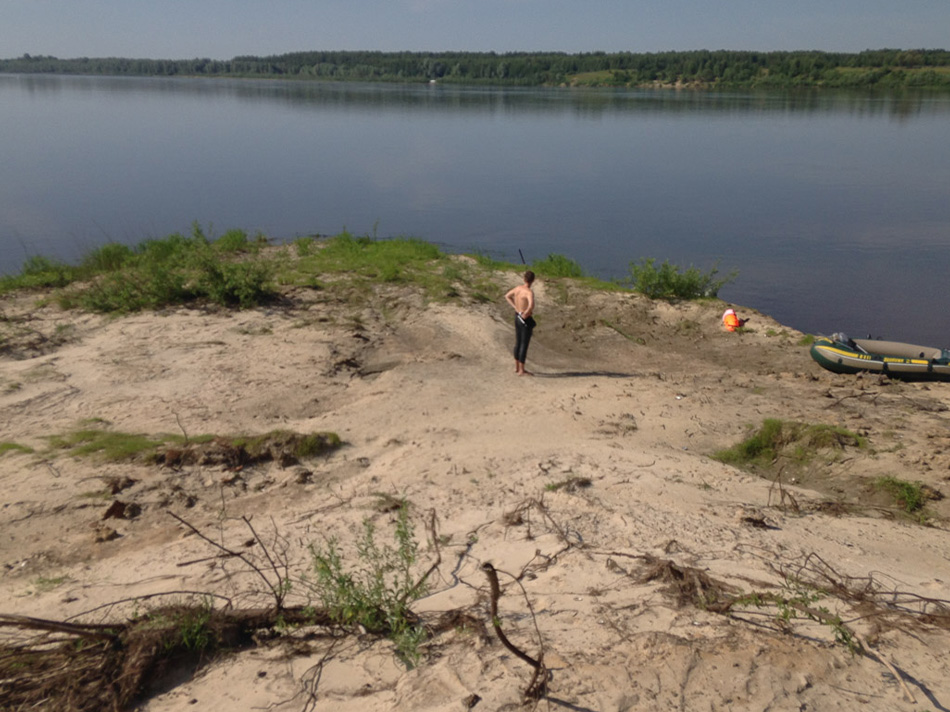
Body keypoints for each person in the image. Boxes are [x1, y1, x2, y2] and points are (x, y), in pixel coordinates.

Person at [505, 270, 536, 375]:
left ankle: (517, 367)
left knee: (518, 342)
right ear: (533, 280)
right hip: (523, 318)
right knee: (524, 343)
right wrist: (526, 313)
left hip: (517, 315)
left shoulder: (518, 288)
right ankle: (521, 370)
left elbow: (507, 296)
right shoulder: (528, 292)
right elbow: (531, 305)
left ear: (524, 279)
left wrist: (515, 307)